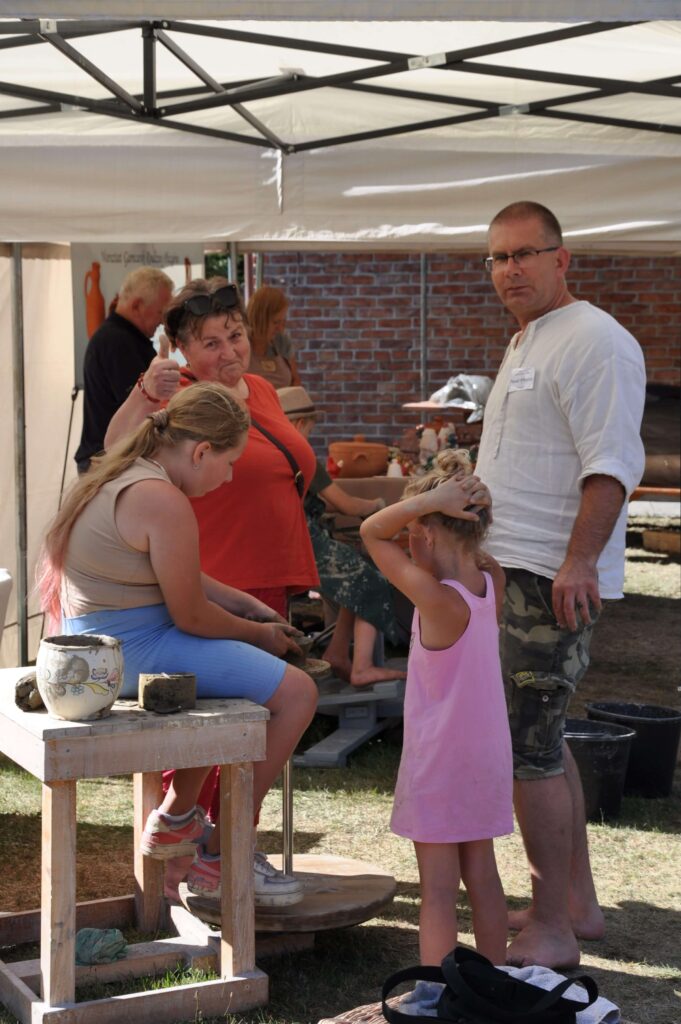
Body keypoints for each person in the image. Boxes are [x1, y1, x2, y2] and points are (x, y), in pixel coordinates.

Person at [41, 382, 317, 906]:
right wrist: (261, 636)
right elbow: (189, 614)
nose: (230, 476)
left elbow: (179, 576)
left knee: (230, 684)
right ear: (201, 452)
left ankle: (178, 816)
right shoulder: (161, 498)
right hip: (125, 652)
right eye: (230, 463)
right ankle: (222, 852)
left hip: (101, 646)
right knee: (298, 693)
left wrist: (246, 605)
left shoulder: (130, 473)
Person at [475, 200, 646, 969]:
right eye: (497, 258)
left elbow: (610, 464)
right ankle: (572, 902)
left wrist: (578, 561)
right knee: (543, 739)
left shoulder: (595, 341)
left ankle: (549, 929)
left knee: (527, 749)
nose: (509, 269)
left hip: (547, 577)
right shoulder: (530, 338)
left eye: (524, 254)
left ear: (561, 258)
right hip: (512, 569)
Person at [104, 278, 319, 857]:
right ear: (181, 348)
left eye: (236, 335)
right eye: (211, 343)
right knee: (205, 738)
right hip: (213, 580)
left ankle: (214, 851)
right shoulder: (182, 395)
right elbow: (114, 452)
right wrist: (145, 393)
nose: (229, 352)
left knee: (244, 732)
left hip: (267, 577)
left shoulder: (260, 390)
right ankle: (201, 855)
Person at [360, 451, 510, 965]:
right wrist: (451, 501)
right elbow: (478, 555)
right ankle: (496, 984)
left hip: (442, 761)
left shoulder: (436, 599)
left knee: (439, 891)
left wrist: (424, 501)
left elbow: (371, 532)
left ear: (424, 534)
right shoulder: (493, 583)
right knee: (485, 878)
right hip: (487, 758)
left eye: (413, 532)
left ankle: (439, 993)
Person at [279, 385, 408, 687]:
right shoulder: (298, 450)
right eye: (310, 429)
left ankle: (338, 652)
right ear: (299, 425)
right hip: (300, 542)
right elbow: (346, 504)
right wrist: (378, 506)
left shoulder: (267, 447)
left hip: (285, 540)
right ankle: (363, 667)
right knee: (371, 580)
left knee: (355, 574)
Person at [75, 267, 174, 473]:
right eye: (160, 312)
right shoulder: (118, 342)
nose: (162, 321)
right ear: (137, 305)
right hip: (107, 464)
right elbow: (141, 407)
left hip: (109, 459)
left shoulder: (120, 337)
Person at [247, 285, 301, 388]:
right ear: (259, 319)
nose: (280, 329)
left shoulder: (282, 342)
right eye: (275, 322)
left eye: (283, 321)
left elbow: (296, 381)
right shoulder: (241, 344)